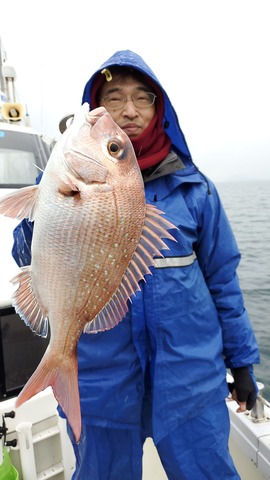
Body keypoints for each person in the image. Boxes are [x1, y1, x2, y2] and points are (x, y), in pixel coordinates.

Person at [12, 50, 260, 480]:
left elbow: (223, 283)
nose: (128, 110)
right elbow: (23, 257)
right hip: (100, 384)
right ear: (95, 106)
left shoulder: (195, 191)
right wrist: (49, 199)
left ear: (159, 108)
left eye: (143, 98)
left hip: (190, 383)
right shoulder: (59, 177)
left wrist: (241, 363)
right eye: (113, 97)